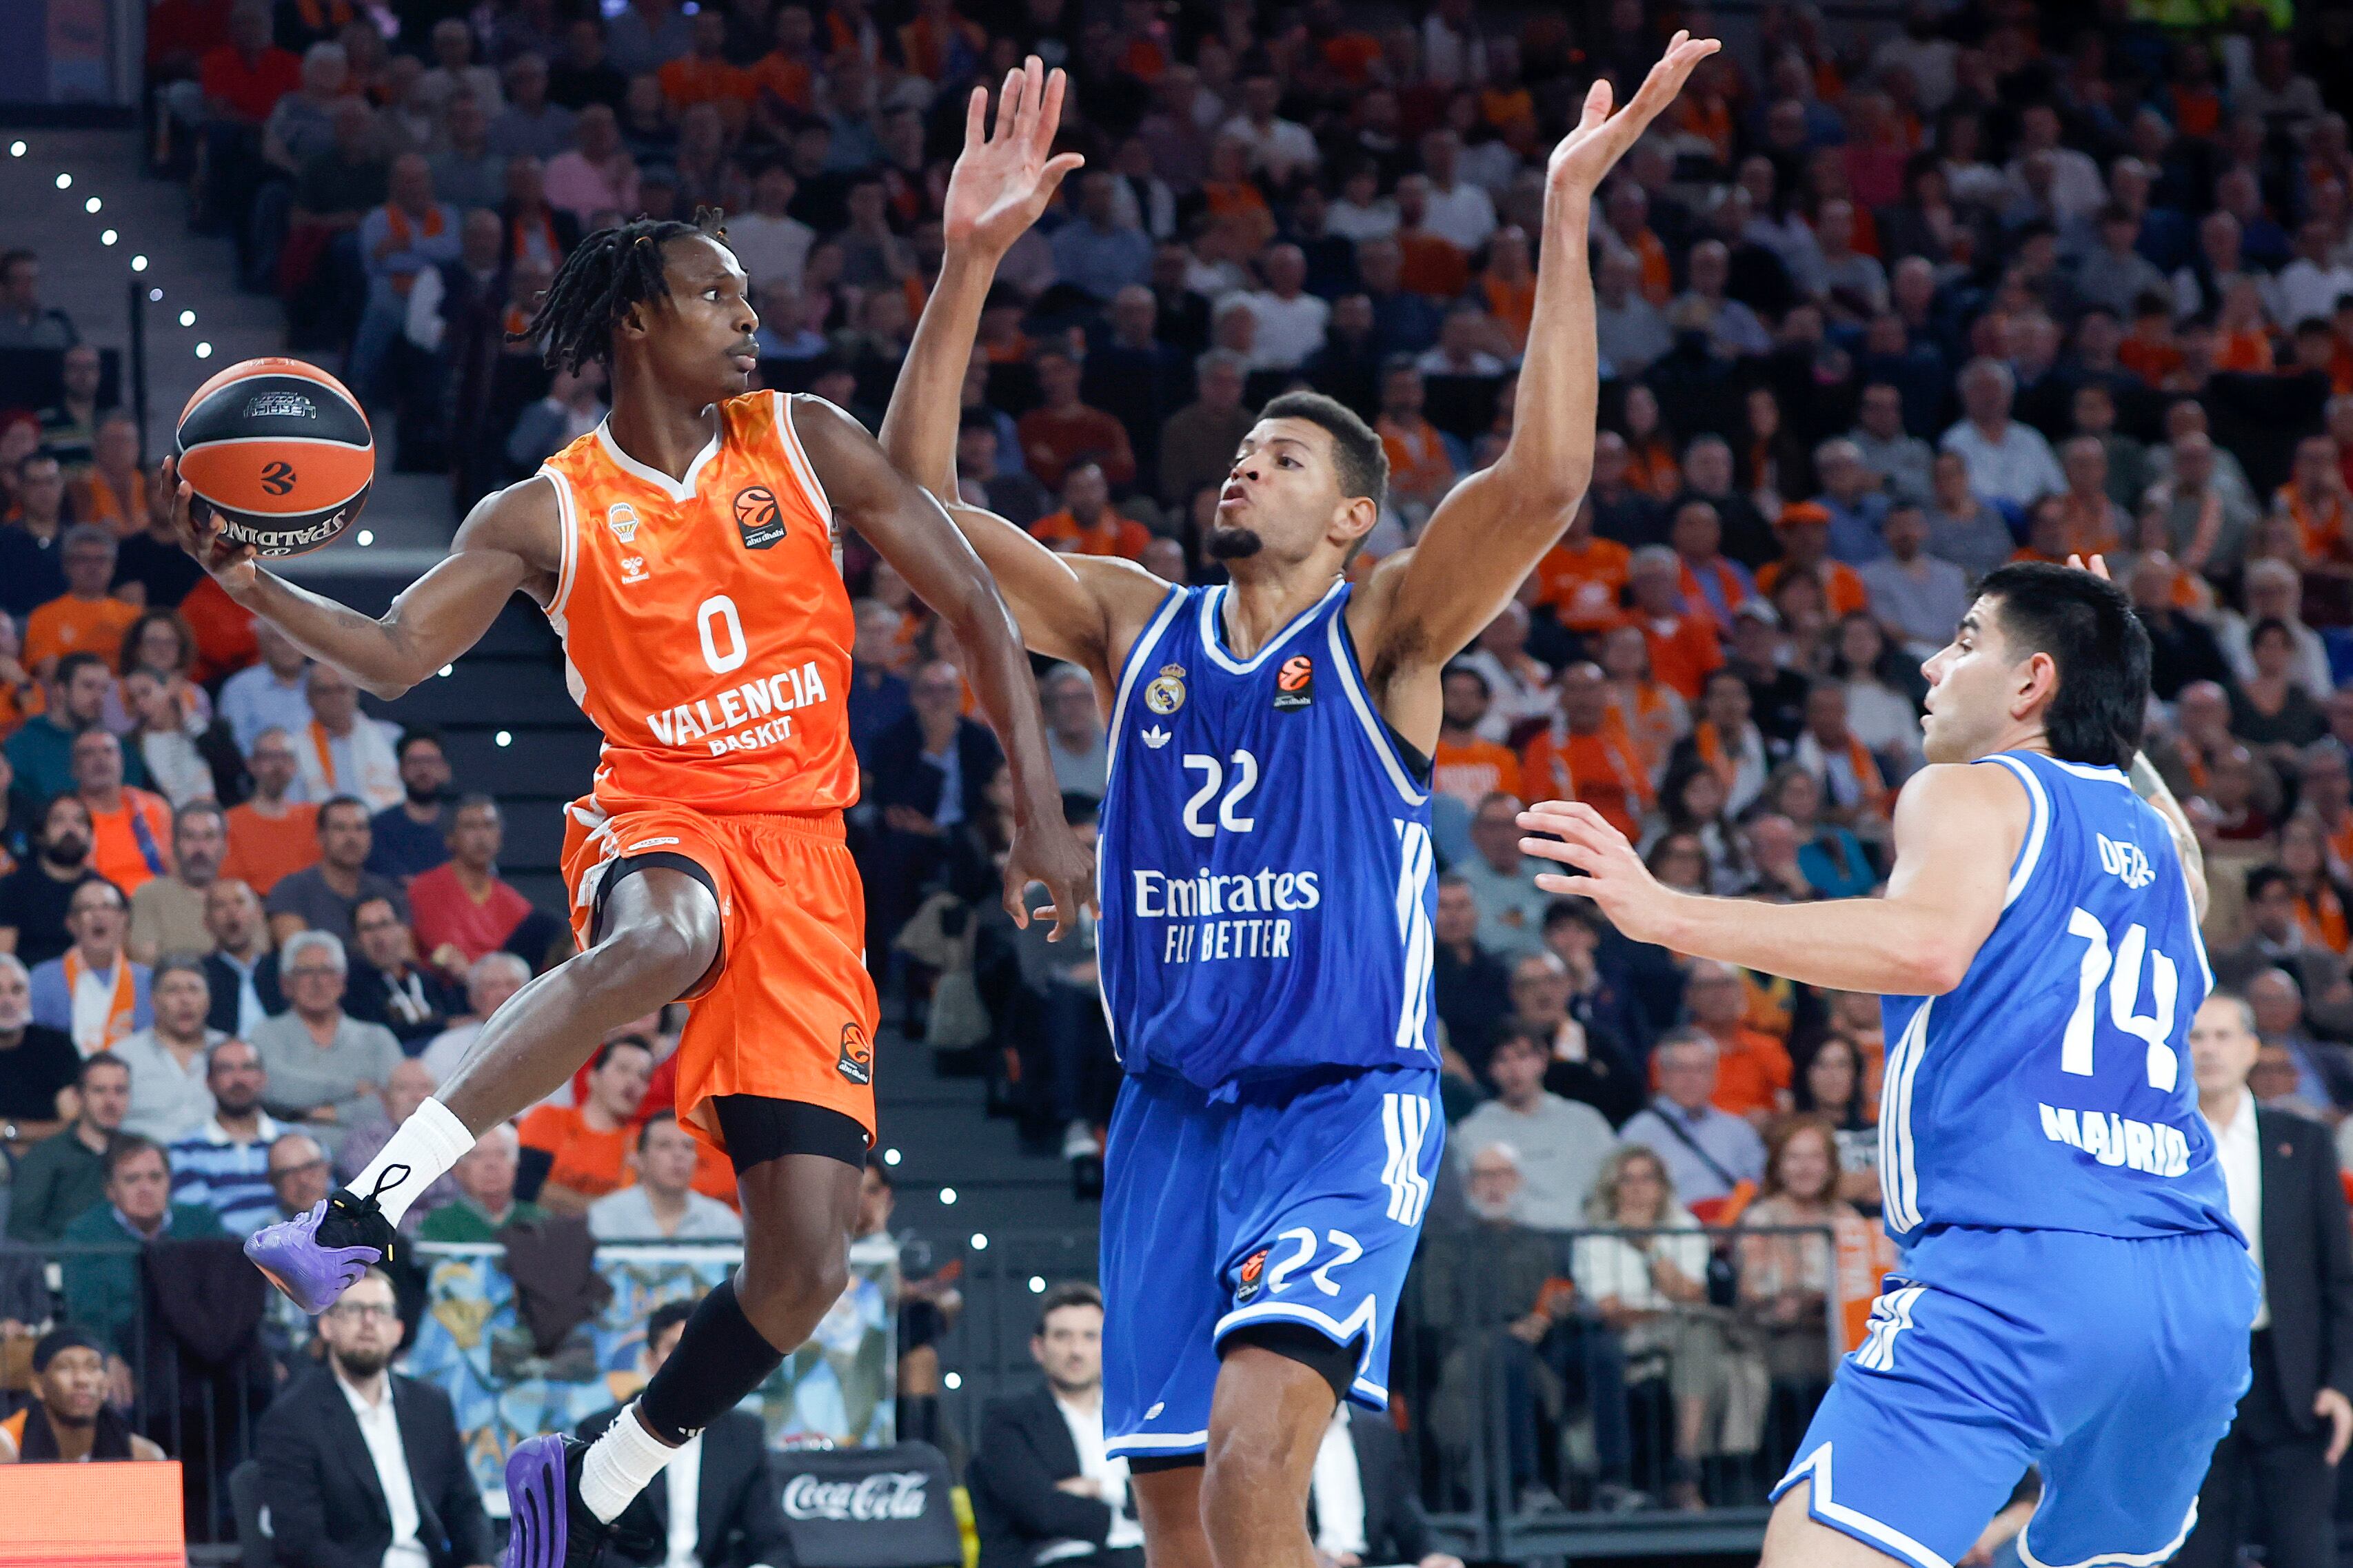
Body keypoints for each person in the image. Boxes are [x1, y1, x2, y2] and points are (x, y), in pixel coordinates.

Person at [204, 84, 1091, 1568]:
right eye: (713, 294)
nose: (748, 314)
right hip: (660, 817)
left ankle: (599, 1471)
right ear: (634, 320)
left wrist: (1038, 818)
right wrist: (257, 590)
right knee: (668, 929)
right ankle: (362, 1209)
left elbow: (980, 615)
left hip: (810, 865)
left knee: (807, 1265)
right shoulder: (545, 509)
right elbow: (396, 656)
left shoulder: (804, 439)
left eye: (745, 294)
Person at [876, 45, 1717, 1566]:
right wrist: (964, 264)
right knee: (1177, 1514)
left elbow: (1539, 481)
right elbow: (908, 502)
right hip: (1167, 1117)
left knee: (1262, 1454)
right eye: (1240, 448)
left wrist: (1562, 211)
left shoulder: (1383, 631)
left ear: (1348, 515)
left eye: (1284, 456)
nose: (1243, 465)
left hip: (1339, 1102)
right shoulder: (1136, 624)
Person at [1520, 561, 2251, 1567]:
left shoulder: (1967, 789)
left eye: (1963, 640)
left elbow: (1925, 946)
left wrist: (1666, 913)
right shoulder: (2163, 846)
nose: (1931, 660)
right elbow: (2161, 827)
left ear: (2030, 682)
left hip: (2019, 1260)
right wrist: (2105, 670)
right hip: (2194, 1289)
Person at [2174, 992, 2353, 1568]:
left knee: (2305, 1550)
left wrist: (2342, 1382)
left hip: (2290, 1375)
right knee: (2194, 1549)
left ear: (2252, 1048)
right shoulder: (2159, 1148)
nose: (2208, 1049)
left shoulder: (2300, 1142)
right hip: (2191, 1372)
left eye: (2223, 1035)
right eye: (2195, 1036)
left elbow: (2339, 1276)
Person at [254, 1266, 497, 1568]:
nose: (369, 1322)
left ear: (398, 1331)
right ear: (327, 1326)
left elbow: (465, 1505)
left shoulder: (430, 1405)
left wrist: (479, 1562)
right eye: (354, 1310)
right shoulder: (292, 1418)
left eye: (381, 1311)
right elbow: (303, 1543)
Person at [571, 1296, 789, 1568]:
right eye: (676, 1349)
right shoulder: (601, 1429)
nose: (691, 1364)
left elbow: (772, 1542)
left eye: (705, 1350)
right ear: (650, 1361)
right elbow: (585, 1541)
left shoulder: (744, 1434)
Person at [970, 1281, 1149, 1568]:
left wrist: (1101, 1489)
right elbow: (1040, 1510)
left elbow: (1172, 1503)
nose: (1076, 1351)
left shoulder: (1137, 1418)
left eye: (1090, 1336)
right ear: (1038, 1348)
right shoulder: (1008, 1418)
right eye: (1063, 1336)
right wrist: (1123, 1504)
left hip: (1143, 1558)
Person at [60, 1134, 227, 1357]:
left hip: (197, 1352)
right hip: (125, 1354)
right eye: (132, 1179)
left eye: (155, 1178)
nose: (145, 1188)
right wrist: (107, 1356)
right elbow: (86, 1314)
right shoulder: (84, 1234)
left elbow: (224, 1296)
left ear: (169, 1182)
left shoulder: (202, 1223)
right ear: (110, 1190)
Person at [250, 930, 404, 1157]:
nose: (318, 982)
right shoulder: (266, 1032)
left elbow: (394, 1104)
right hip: (292, 1162)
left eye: (327, 971)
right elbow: (273, 1087)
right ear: (286, 984)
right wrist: (353, 1088)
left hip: (374, 1160)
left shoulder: (377, 1039)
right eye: (305, 972)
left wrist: (328, 1113)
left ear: (342, 982)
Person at [1450, 1025, 1616, 1229]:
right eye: (1502, 1059)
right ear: (1491, 1070)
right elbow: (1464, 1202)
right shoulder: (1472, 1131)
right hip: (1506, 1247)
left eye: (1522, 1057)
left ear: (1542, 1060)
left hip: (1582, 1245)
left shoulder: (1586, 1123)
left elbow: (1615, 1185)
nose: (1514, 1069)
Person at [1617, 1030, 1767, 1205]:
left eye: (1700, 1069)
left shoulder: (1739, 1131)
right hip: (1667, 1230)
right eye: (1681, 1069)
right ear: (1662, 1076)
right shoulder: (1638, 1134)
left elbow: (1762, 1189)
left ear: (1715, 1075)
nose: (1691, 1078)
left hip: (1732, 1228)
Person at [166, 1039, 291, 1236]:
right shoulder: (183, 1152)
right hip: (220, 1259)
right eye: (226, 1069)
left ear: (263, 1078)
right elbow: (197, 1224)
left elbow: (318, 1211)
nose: (238, 1079)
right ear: (209, 1081)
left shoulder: (299, 1143)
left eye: (247, 1068)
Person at [518, 1035, 653, 1215]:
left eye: (643, 1077)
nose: (633, 1082)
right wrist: (600, 1208)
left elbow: (630, 1213)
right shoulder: (550, 1119)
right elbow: (525, 1186)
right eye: (623, 1069)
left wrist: (557, 1196)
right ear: (592, 1077)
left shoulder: (642, 1143)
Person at [3, 1052, 128, 1241]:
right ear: (78, 1097)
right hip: (61, 1263)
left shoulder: (140, 1153)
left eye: (120, 1091)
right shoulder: (45, 1155)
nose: (110, 1101)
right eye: (99, 1091)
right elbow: (21, 1229)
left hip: (134, 1264)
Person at [405, 795, 534, 975]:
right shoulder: (426, 889)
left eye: (488, 826)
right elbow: (445, 955)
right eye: (470, 827)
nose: (481, 836)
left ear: (500, 836)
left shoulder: (516, 905)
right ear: (450, 838)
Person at [0, 1326, 168, 1463]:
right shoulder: (8, 1447)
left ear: (106, 1384)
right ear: (38, 1385)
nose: (82, 1379)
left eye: (93, 1367)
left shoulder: (143, 1457)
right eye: (65, 1367)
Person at [29, 878, 152, 1055]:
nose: (98, 915)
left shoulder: (149, 981)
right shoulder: (42, 979)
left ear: (124, 919)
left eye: (107, 907)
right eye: (87, 908)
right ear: (71, 923)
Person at [265, 796, 408, 946]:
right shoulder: (292, 891)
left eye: (360, 828)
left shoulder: (388, 892)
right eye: (340, 828)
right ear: (320, 837)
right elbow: (299, 959)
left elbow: (404, 957)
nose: (351, 837)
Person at [587, 1109, 743, 1241]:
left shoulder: (722, 1222)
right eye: (665, 1145)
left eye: (687, 1147)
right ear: (640, 1159)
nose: (679, 1155)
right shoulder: (606, 1216)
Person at [115, 955, 225, 1142]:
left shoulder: (229, 1052)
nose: (185, 1000)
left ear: (208, 1000)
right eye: (173, 991)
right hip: (144, 1163)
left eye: (194, 990)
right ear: (153, 1001)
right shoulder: (123, 1057)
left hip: (217, 1163)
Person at [343, 895, 463, 1048]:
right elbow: (380, 1036)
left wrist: (463, 978)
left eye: (384, 924)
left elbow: (457, 1016)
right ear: (357, 939)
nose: (378, 937)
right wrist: (444, 1026)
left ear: (402, 929)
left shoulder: (425, 978)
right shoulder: (352, 989)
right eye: (368, 928)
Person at [0, 795, 99, 970]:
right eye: (58, 820)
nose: (70, 829)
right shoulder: (11, 890)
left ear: (91, 837)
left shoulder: (103, 892)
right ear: (40, 835)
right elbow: (3, 961)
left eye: (79, 821)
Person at [221, 728, 320, 896]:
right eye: (269, 757)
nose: (278, 765)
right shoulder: (230, 822)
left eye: (285, 757)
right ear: (251, 764)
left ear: (295, 765)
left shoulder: (315, 817)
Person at [126, 801, 226, 964]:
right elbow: (145, 961)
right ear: (174, 845)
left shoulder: (239, 895)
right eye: (189, 837)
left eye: (209, 837)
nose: (199, 848)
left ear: (224, 846)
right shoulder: (149, 895)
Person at [0, 953, 77, 1152]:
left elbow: (72, 1127)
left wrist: (11, 1129)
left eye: (17, 991)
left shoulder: (57, 1047)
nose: (7, 1001)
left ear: (29, 996)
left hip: (49, 1158)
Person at [416, 1122, 544, 1242]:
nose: (491, 1164)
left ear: (515, 1165)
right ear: (458, 1170)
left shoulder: (542, 1222)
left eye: (501, 1154)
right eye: (478, 1155)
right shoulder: (438, 1225)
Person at [366, 729, 455, 885]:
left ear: (445, 769)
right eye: (414, 762)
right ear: (400, 770)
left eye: (431, 761)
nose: (423, 770)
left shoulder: (459, 828)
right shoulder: (378, 829)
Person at [201, 879, 282, 1037]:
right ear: (207, 922)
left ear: (258, 913)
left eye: (240, 902)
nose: (231, 912)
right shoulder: (200, 976)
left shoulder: (282, 970)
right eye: (220, 905)